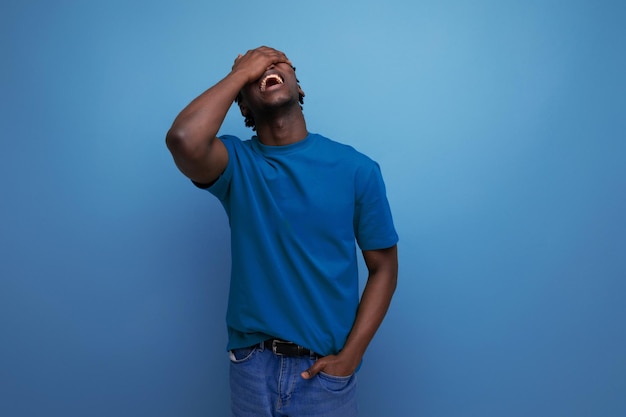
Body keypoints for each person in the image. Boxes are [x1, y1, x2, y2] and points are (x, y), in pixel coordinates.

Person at [166, 46, 398, 417]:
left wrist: (350, 357)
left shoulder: (357, 169)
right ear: (242, 106)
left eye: (277, 62)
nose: (266, 66)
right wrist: (240, 73)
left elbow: (384, 268)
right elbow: (183, 139)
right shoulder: (236, 164)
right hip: (251, 369)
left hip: (325, 375)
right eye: (255, 69)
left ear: (299, 88)